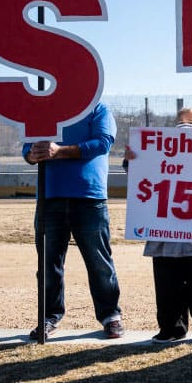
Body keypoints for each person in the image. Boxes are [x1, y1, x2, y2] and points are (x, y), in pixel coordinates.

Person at [125, 108, 192, 344]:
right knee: (167, 281)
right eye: (180, 123)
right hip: (163, 226)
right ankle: (171, 327)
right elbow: (140, 177)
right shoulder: (160, 148)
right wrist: (132, 159)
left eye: (191, 122)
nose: (185, 127)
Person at [23, 101, 124, 339]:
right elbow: (28, 147)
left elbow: (103, 142)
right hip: (49, 195)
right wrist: (32, 154)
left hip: (89, 195)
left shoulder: (98, 108)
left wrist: (60, 151)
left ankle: (111, 315)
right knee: (48, 263)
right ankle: (48, 316)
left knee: (99, 261)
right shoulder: (43, 109)